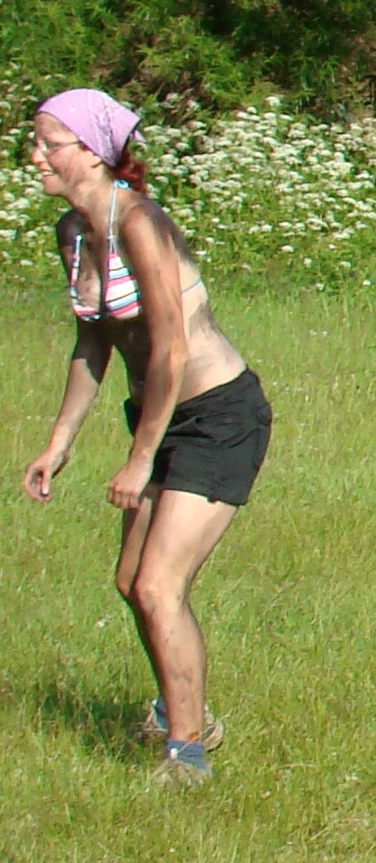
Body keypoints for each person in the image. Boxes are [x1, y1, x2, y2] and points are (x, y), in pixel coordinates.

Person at [23, 89, 271, 788]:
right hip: (158, 416)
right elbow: (93, 342)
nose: (35, 156)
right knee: (132, 582)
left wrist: (139, 461)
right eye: (34, 143)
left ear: (91, 152)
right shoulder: (74, 233)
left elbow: (168, 348)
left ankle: (186, 754)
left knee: (160, 585)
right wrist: (59, 442)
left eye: (48, 143)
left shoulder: (138, 221)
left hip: (218, 416)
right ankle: (184, 709)